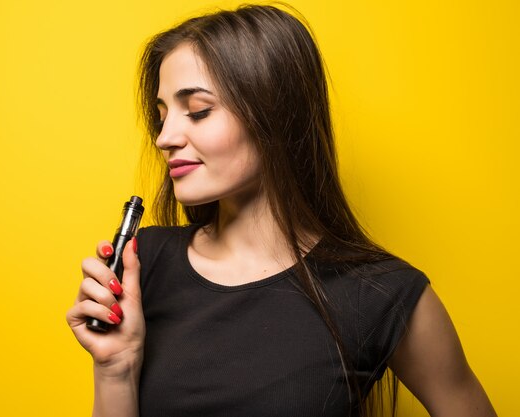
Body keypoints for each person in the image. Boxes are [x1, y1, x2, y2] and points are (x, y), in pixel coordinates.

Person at [66, 4, 497, 417]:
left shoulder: (382, 292)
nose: (165, 137)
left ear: (275, 112)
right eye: (162, 116)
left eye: (197, 111)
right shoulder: (145, 262)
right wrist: (115, 368)